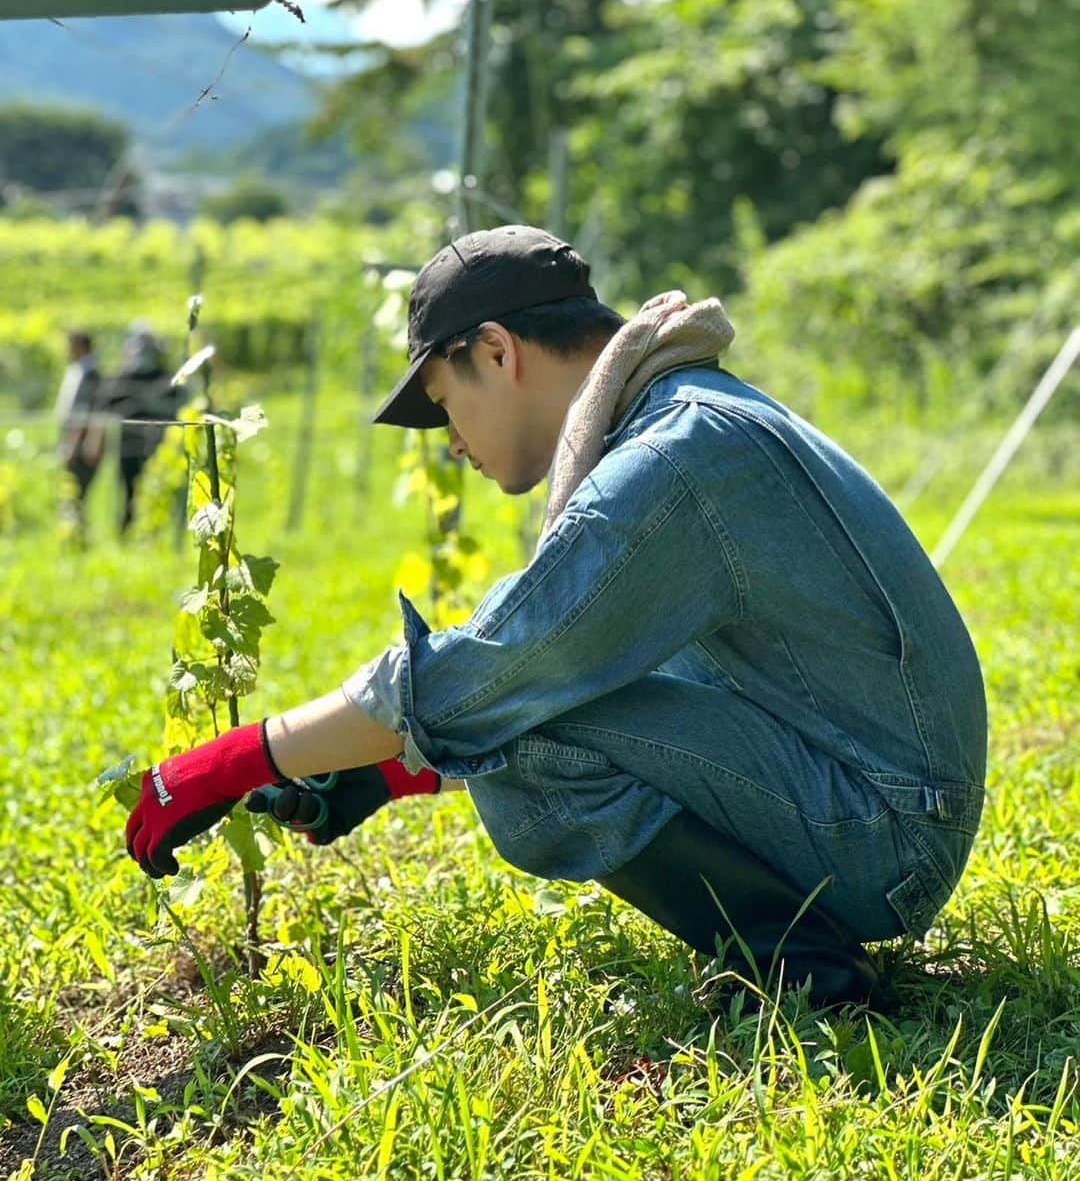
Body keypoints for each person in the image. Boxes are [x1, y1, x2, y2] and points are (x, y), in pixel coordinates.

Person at [123, 226, 987, 1006]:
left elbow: (497, 671)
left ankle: (801, 967)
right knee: (521, 708)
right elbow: (585, 668)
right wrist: (390, 771)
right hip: (877, 796)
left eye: (443, 403)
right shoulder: (684, 414)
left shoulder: (671, 460)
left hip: (886, 838)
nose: (450, 443)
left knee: (522, 743)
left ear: (496, 353)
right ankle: (791, 941)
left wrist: (219, 765)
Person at [100, 322, 181, 536]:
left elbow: (177, 407)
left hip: (158, 446)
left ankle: (154, 535)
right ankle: (126, 534)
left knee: (157, 491)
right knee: (127, 493)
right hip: (127, 447)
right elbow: (107, 406)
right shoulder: (121, 377)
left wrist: (150, 403)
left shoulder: (167, 377)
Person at [55, 330, 104, 531]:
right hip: (77, 443)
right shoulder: (80, 371)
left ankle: (76, 537)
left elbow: (83, 414)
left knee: (76, 494)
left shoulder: (90, 376)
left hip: (81, 447)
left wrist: (71, 445)